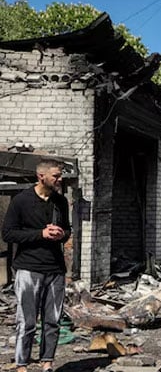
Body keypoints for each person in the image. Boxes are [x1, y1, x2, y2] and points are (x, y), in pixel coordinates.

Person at [2, 159, 71, 372]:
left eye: (60, 176)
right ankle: (21, 364)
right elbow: (8, 233)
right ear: (41, 176)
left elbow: (67, 230)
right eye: (56, 176)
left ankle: (47, 363)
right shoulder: (21, 201)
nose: (59, 180)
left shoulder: (60, 202)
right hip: (29, 269)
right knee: (27, 322)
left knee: (52, 320)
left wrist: (62, 234)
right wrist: (40, 234)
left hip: (55, 269)